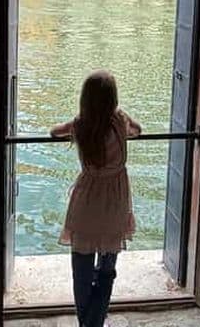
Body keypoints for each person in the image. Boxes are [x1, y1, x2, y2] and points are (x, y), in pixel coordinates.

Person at [50, 70, 141, 327]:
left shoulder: (81, 126)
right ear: (113, 98)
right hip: (116, 202)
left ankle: (87, 324)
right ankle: (95, 323)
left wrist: (74, 123)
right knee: (107, 268)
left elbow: (54, 131)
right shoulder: (119, 121)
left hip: (87, 201)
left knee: (81, 270)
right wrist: (121, 114)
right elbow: (138, 129)